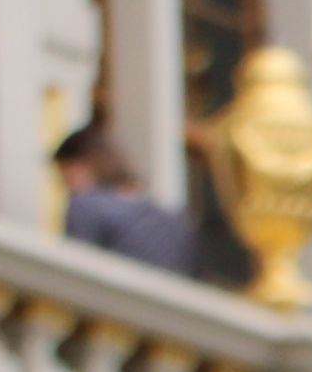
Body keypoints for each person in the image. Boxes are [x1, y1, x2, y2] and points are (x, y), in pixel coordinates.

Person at [55, 115, 212, 279]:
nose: (65, 188)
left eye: (65, 178)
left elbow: (76, 272)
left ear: (80, 168)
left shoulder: (86, 205)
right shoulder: (177, 218)